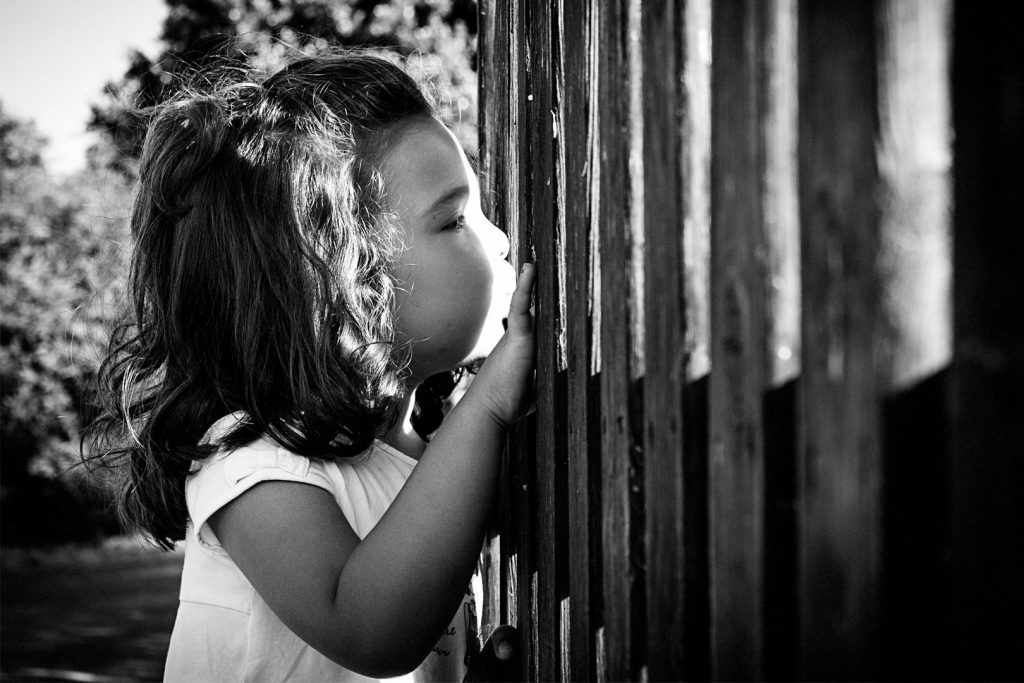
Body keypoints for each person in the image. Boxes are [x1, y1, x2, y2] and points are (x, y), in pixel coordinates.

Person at [84, 50, 534, 682]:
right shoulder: (252, 463)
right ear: (344, 282)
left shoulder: (424, 447)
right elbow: (369, 632)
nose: (502, 239)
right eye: (456, 218)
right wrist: (484, 410)